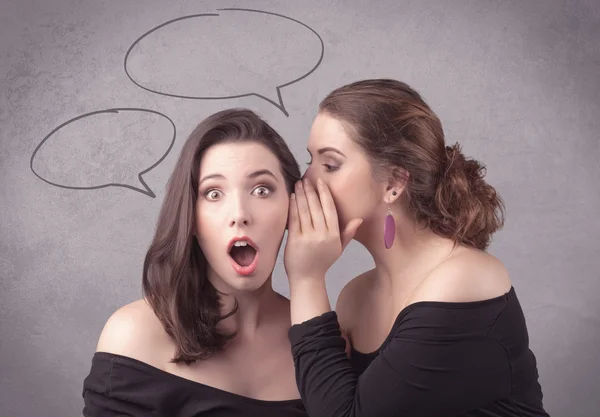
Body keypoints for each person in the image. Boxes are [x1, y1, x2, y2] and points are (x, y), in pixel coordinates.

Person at [283, 79, 550, 416]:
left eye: (330, 165)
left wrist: (305, 279)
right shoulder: (355, 297)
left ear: (394, 183)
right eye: (311, 160)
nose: (306, 181)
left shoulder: (463, 278)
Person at [82, 109, 307, 416]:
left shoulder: (319, 339)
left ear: (293, 206)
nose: (239, 213)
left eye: (261, 190)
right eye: (213, 193)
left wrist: (310, 277)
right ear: (190, 216)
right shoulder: (133, 335)